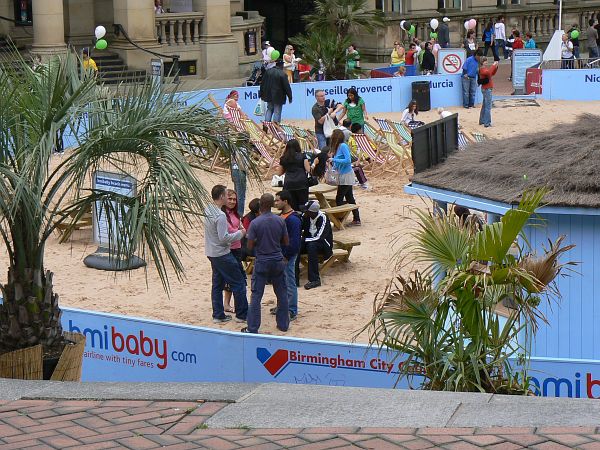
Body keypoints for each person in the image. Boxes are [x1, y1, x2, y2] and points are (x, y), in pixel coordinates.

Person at [242, 193, 290, 334]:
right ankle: (283, 324)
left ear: (260, 206)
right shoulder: (280, 220)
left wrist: (259, 241)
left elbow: (249, 246)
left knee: (256, 296)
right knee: (281, 293)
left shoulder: (255, 223)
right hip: (277, 260)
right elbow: (286, 241)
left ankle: (253, 327)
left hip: (262, 260)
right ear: (272, 204)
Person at [204, 185, 248, 324]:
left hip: (211, 252)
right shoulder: (220, 215)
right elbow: (224, 238)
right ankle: (242, 315)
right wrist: (240, 233)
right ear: (222, 196)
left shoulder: (208, 209)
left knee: (217, 284)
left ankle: (218, 315)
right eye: (226, 195)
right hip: (221, 253)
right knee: (239, 282)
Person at [273, 191, 302, 320]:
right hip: (280, 254)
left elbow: (295, 242)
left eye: (278, 200)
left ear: (285, 201)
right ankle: (282, 306)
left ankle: (291, 310)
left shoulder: (293, 219)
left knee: (289, 282)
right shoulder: (282, 216)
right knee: (281, 283)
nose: (275, 203)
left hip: (287, 255)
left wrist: (287, 255)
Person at [299, 201, 333, 290]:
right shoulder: (305, 216)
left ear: (312, 212)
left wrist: (304, 240)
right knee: (296, 245)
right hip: (309, 241)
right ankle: (294, 277)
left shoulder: (323, 218)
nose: (304, 212)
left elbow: (319, 237)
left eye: (306, 211)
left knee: (312, 246)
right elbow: (299, 229)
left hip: (323, 244)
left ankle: (315, 279)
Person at [221, 189, 245, 314]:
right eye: (230, 199)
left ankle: (230, 303)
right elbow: (230, 231)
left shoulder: (235, 214)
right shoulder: (222, 215)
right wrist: (240, 232)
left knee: (235, 277)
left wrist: (240, 231)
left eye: (234, 199)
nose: (232, 201)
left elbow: (241, 227)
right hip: (228, 249)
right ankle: (227, 304)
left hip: (237, 248)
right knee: (232, 278)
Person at [330, 129, 360, 226]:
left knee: (339, 198)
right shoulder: (338, 147)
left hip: (346, 175)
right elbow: (338, 161)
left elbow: (348, 160)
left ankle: (340, 219)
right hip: (342, 175)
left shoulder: (343, 146)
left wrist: (334, 160)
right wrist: (333, 168)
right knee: (349, 197)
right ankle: (356, 218)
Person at [278, 139, 311, 211]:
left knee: (292, 205)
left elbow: (279, 173)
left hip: (289, 183)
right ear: (298, 146)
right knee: (303, 205)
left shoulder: (283, 158)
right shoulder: (303, 156)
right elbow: (308, 170)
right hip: (302, 182)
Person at [259, 59, 292, 124]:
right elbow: (287, 87)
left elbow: (262, 83)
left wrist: (261, 93)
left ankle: (266, 125)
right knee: (277, 111)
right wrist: (290, 97)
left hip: (268, 95)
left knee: (269, 109)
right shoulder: (282, 74)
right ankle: (276, 126)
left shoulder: (268, 72)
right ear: (281, 65)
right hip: (278, 96)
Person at [478, 57, 499, 128]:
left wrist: (495, 67)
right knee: (488, 106)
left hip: (486, 88)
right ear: (482, 62)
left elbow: (491, 74)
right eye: (485, 61)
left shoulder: (484, 69)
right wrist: (493, 66)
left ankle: (482, 120)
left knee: (485, 105)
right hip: (487, 89)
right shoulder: (482, 69)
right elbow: (489, 73)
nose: (486, 62)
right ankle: (487, 123)